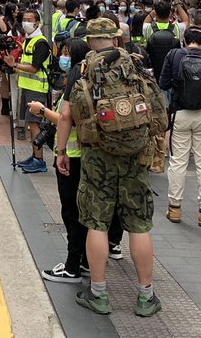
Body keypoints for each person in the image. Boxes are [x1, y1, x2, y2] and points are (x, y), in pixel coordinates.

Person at [55, 18, 166, 319]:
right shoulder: (138, 65)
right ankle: (145, 295)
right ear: (116, 39)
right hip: (135, 155)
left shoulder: (82, 69)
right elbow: (157, 110)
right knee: (139, 225)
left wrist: (61, 151)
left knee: (97, 223)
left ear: (90, 41)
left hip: (97, 156)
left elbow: (66, 115)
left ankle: (99, 293)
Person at [34, 36, 91, 281]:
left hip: (72, 155)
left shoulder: (77, 80)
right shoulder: (90, 80)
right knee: (85, 211)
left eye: (67, 53)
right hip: (87, 155)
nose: (63, 57)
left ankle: (72, 266)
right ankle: (87, 261)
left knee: (71, 212)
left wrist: (43, 111)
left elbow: (68, 119)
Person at [160, 27, 201, 226]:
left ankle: (174, 208)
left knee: (178, 162)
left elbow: (163, 84)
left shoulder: (174, 56)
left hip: (179, 114)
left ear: (184, 40)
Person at [3, 8, 51, 173]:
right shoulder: (28, 40)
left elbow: (34, 68)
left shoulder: (41, 42)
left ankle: (39, 160)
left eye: (30, 19)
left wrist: (14, 65)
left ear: (37, 22)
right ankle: (34, 156)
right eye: (24, 19)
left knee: (34, 122)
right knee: (31, 122)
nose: (26, 22)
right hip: (27, 86)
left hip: (37, 88)